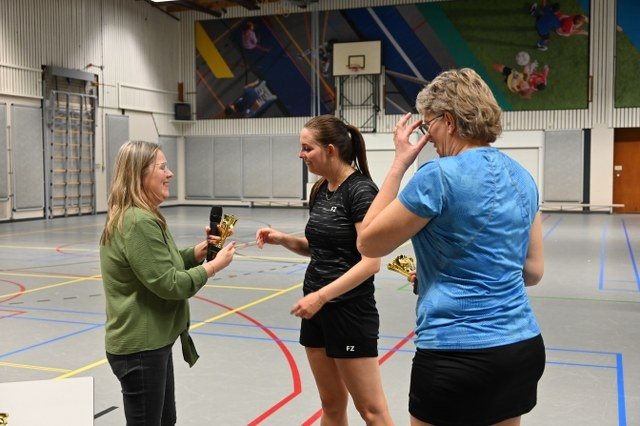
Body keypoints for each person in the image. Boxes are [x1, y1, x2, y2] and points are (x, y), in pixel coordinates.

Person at [357, 68, 545, 426]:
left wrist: (399, 163)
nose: (428, 137)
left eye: (429, 125)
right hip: (520, 347)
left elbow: (368, 241)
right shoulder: (523, 177)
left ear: (448, 121)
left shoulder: (438, 176)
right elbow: (533, 272)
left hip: (455, 352)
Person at [255, 115, 394, 425]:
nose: (300, 154)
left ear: (330, 150)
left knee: (371, 411)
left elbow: (370, 262)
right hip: (316, 312)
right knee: (331, 403)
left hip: (349, 313)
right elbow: (321, 246)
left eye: (307, 148)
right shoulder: (320, 188)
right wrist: (284, 239)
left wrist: (321, 296)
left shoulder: (361, 192)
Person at [100, 140, 236, 425]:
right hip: (141, 349)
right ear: (139, 174)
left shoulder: (142, 216)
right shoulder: (138, 222)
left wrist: (199, 252)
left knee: (165, 420)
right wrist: (213, 266)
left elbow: (160, 265)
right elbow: (170, 284)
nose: (170, 173)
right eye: (162, 167)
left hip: (151, 345)